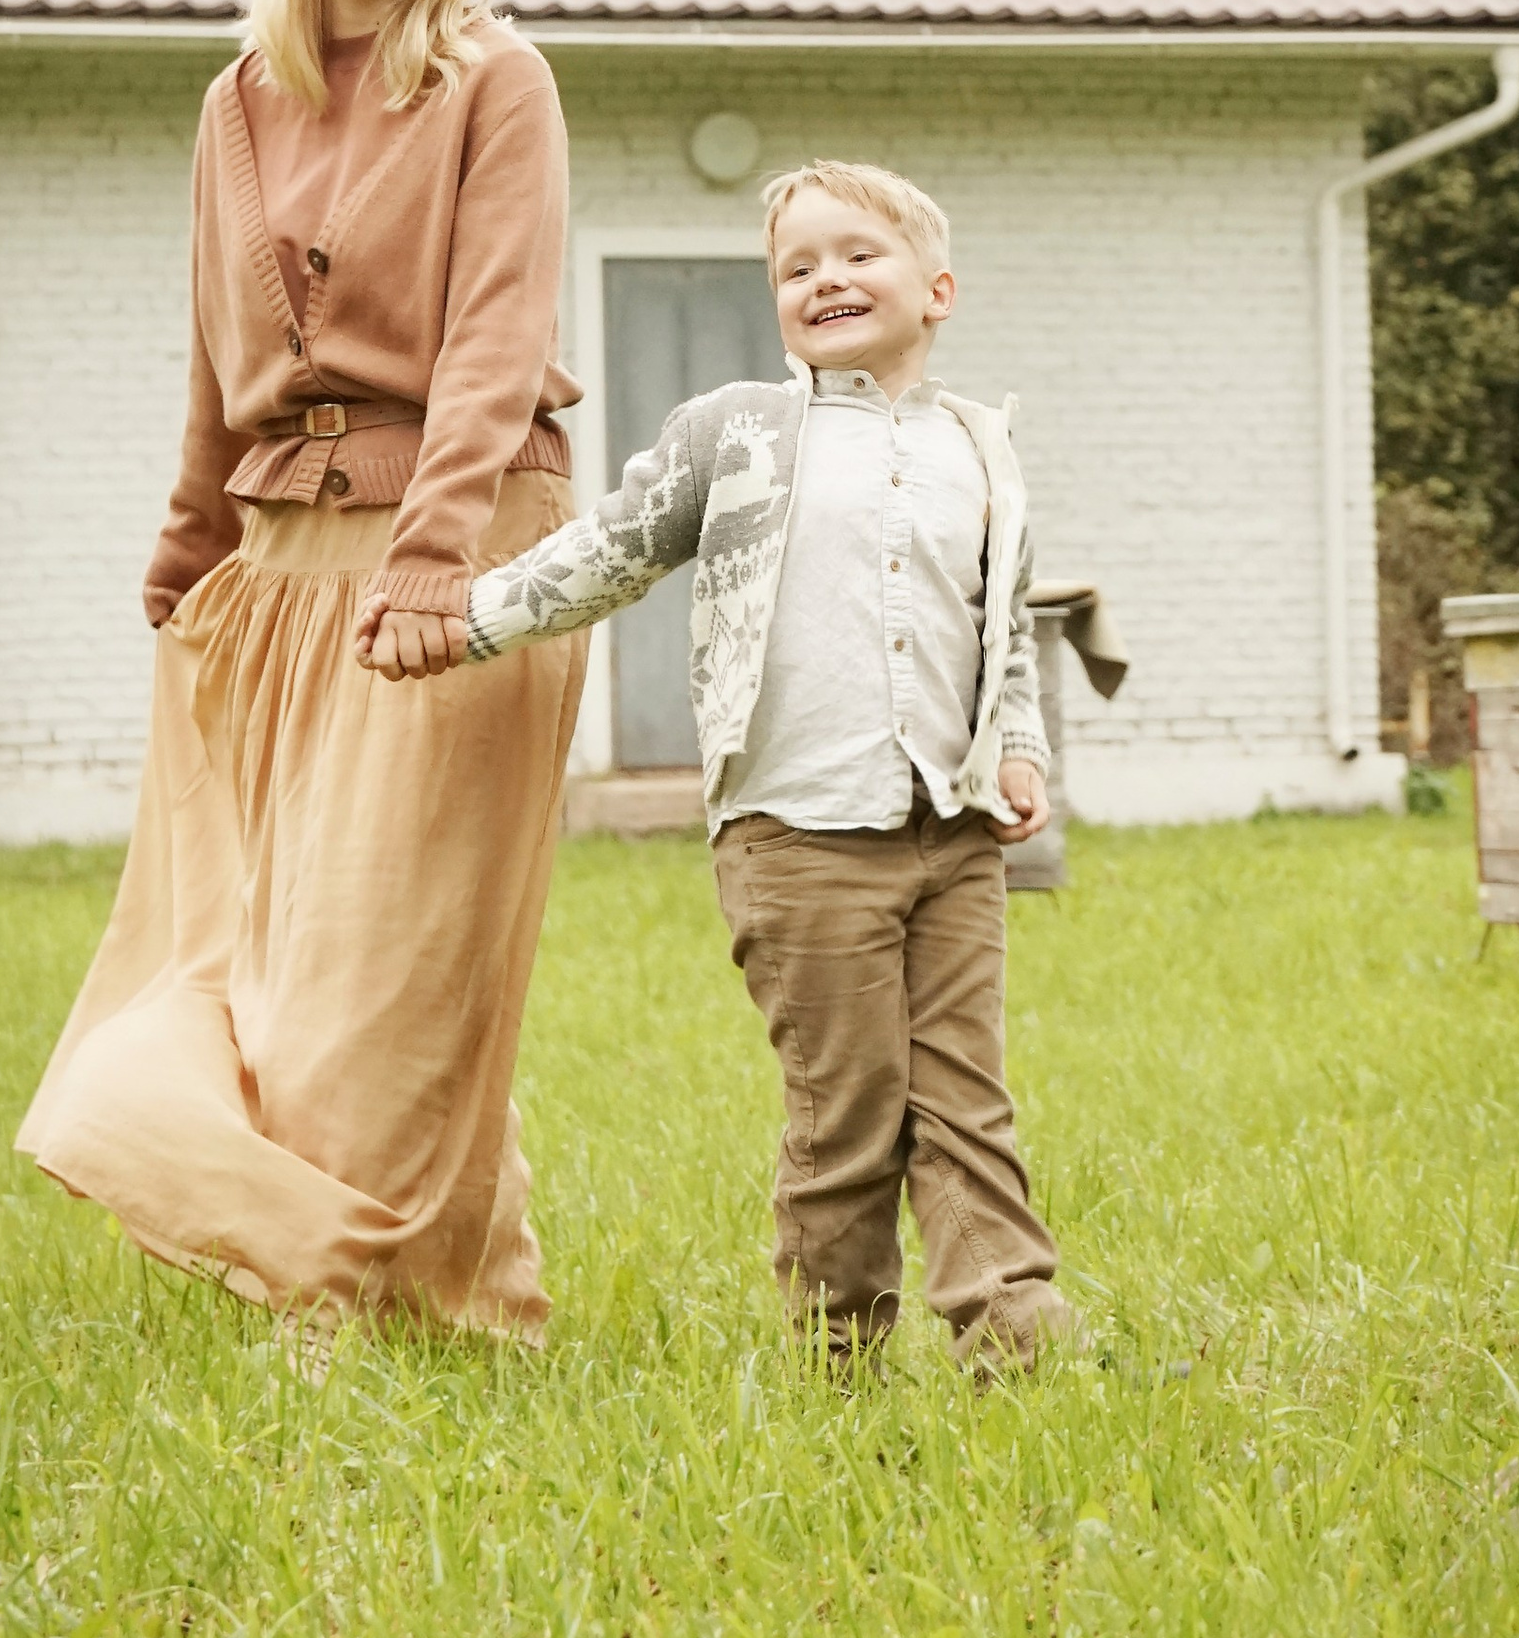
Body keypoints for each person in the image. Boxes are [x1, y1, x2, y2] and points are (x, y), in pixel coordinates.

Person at [17, 0, 589, 1351]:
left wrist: (436, 553)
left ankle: (343, 1297)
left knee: (391, 965)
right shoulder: (236, 99)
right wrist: (193, 532)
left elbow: (496, 334)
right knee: (239, 955)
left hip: (457, 550)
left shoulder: (498, 82)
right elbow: (215, 338)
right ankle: (433, 1300)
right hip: (276, 561)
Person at [457, 159, 1076, 1371]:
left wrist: (1015, 747)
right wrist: (466, 616)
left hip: (946, 836)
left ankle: (1014, 1334)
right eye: (797, 267)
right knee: (845, 1115)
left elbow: (1002, 630)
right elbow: (607, 553)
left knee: (966, 1104)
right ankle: (832, 1360)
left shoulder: (981, 449)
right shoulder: (734, 432)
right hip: (796, 835)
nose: (825, 278)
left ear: (937, 287)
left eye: (858, 254)